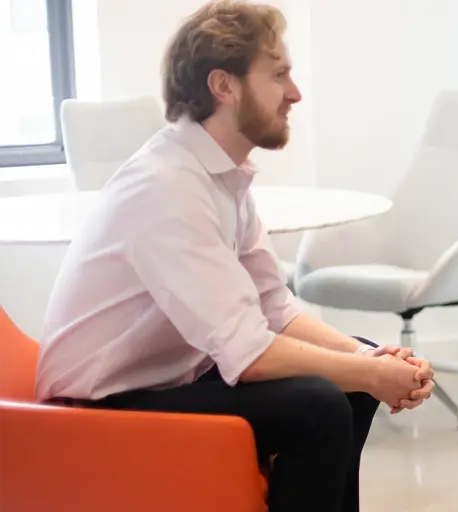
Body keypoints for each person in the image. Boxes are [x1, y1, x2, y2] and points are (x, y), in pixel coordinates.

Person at [32, 2, 434, 511]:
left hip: (164, 381)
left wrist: (366, 360)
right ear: (224, 86)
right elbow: (248, 354)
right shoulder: (166, 186)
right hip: (93, 410)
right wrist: (373, 374)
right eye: (279, 75)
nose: (295, 93)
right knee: (320, 403)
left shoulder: (220, 175)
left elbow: (274, 308)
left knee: (350, 372)